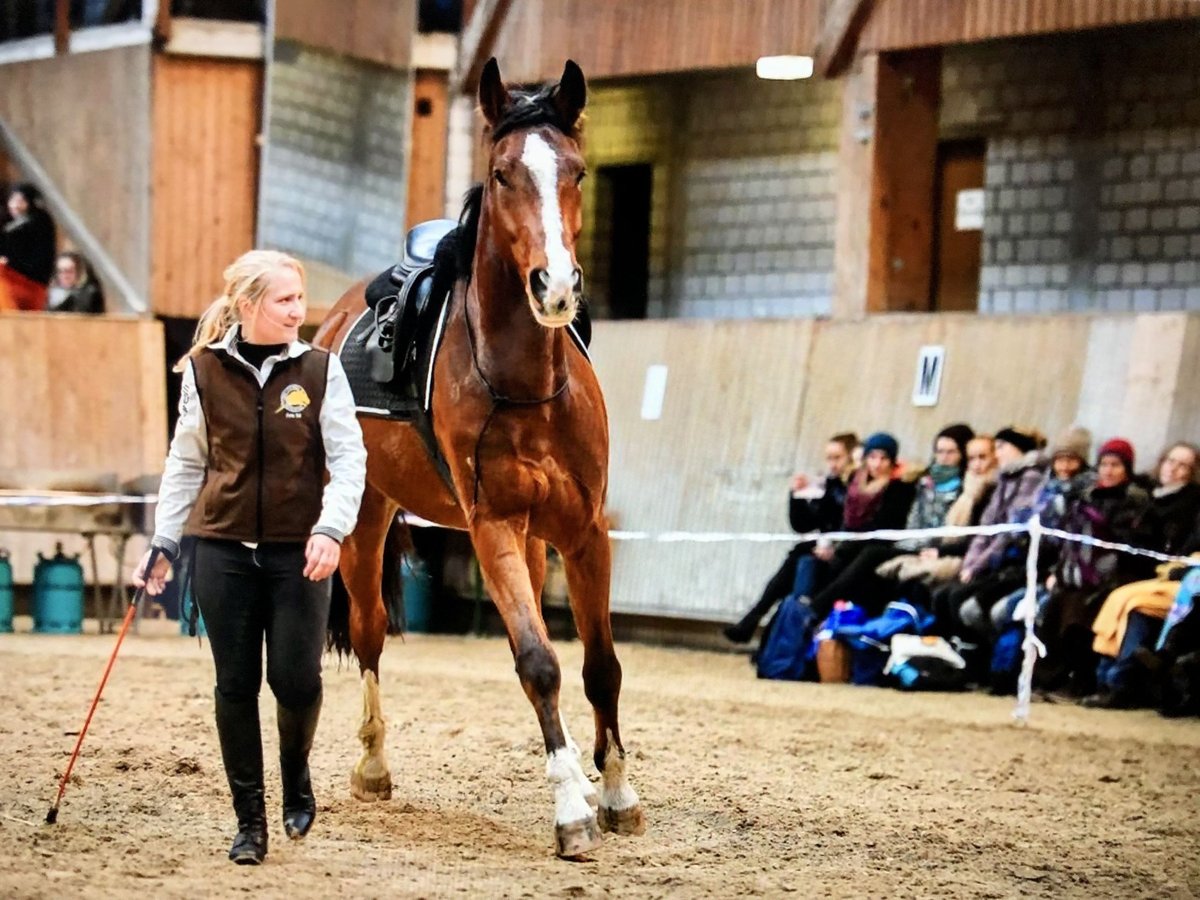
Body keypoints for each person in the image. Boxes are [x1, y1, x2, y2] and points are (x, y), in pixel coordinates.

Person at [132, 249, 366, 865]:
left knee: (296, 679)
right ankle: (250, 822)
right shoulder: (204, 371)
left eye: (299, 298)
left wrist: (331, 529)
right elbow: (186, 463)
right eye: (285, 300)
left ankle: (297, 774)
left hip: (301, 553)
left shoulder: (320, 369)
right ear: (249, 305)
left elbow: (349, 460)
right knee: (234, 686)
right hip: (221, 548)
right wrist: (163, 541)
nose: (298, 311)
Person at [1084, 442, 1200, 708]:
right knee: (1120, 599)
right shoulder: (1151, 497)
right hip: (1159, 574)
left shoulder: (1191, 503)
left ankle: (1119, 682)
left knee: (1132, 603)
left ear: (1191, 472)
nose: (1173, 469)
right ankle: (1107, 679)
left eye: (1182, 465)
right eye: (1171, 461)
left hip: (1183, 580)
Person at [1037, 438, 1153, 697]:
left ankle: (1080, 682)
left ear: (1127, 469)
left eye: (1115, 465)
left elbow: (1134, 548)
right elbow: (1068, 541)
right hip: (1078, 573)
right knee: (1051, 608)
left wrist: (1105, 531)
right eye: (1104, 464)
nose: (1108, 471)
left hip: (1118, 575)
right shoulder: (1085, 498)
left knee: (1078, 613)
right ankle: (1048, 680)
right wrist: (1059, 572)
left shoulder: (1136, 501)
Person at [723, 432, 858, 643]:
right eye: (829, 458)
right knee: (797, 557)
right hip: (823, 547)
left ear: (852, 456)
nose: (832, 464)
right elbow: (803, 525)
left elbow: (849, 523)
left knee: (798, 558)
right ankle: (760, 624)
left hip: (847, 550)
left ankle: (755, 620)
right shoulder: (830, 484)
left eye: (837, 457)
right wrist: (797, 497)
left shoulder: (855, 485)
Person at [804, 431, 916, 620]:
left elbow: (886, 525)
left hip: (881, 543)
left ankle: (818, 606)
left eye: (884, 458)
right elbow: (826, 520)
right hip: (853, 540)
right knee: (805, 554)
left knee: (856, 554)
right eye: (872, 457)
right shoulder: (856, 482)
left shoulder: (900, 487)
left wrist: (843, 542)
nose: (877, 464)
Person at [0, 182, 57, 311]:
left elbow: (40, 259)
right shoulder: (7, 222)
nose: (15, 205)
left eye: (20, 201)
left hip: (31, 283)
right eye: (13, 200)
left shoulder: (39, 221)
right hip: (14, 281)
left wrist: (9, 263)